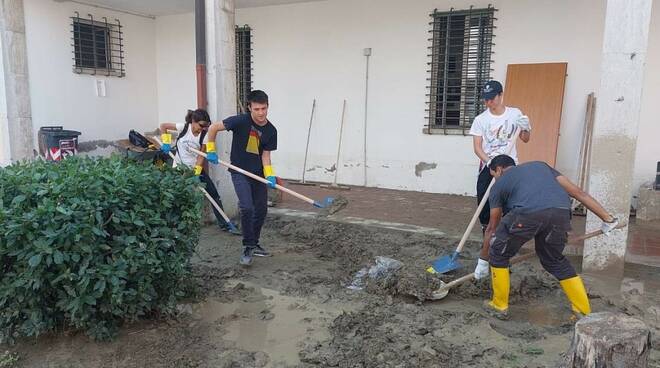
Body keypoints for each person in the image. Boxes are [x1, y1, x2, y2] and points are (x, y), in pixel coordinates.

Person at [473, 155, 619, 319]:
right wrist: (607, 218)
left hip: (526, 214)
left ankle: (499, 306)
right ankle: (583, 310)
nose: (495, 178)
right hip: (561, 213)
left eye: (493, 175)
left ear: (498, 170)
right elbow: (578, 193)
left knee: (499, 254)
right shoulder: (541, 166)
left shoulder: (498, 185)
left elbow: (492, 227)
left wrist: (484, 261)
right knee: (554, 260)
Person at [205, 90, 278, 266]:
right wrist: (211, 149)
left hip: (258, 174)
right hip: (239, 171)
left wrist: (270, 175)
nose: (261, 113)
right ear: (249, 107)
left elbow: (266, 156)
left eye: (264, 108)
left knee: (261, 211)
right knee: (247, 207)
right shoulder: (240, 121)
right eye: (257, 109)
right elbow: (213, 128)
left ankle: (254, 243)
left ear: (268, 106)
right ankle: (247, 246)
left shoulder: (271, 130)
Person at [159, 109, 239, 234]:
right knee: (175, 197)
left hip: (195, 170)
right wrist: (166, 142)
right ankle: (172, 225)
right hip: (178, 169)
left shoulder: (205, 135)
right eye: (200, 125)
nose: (202, 129)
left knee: (213, 194)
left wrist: (195, 173)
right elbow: (163, 126)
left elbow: (201, 156)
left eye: (205, 126)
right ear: (193, 121)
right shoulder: (184, 128)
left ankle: (224, 224)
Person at [469, 80, 531, 233]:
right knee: (485, 202)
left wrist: (526, 128)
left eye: (492, 98)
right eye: (486, 99)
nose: (489, 102)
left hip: (510, 166)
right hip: (489, 166)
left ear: (501, 95)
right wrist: (490, 162)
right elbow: (477, 148)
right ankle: (487, 235)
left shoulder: (515, 114)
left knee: (511, 202)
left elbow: (525, 138)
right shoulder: (480, 120)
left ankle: (508, 237)